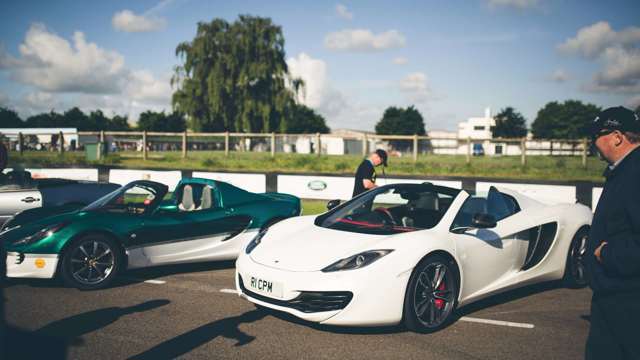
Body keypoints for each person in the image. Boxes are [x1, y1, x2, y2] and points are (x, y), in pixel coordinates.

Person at [585, 106, 640, 360]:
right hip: (614, 294)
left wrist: (606, 253)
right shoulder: (624, 170)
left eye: (597, 135)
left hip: (626, 298)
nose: (593, 143)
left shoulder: (634, 173)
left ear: (617, 137)